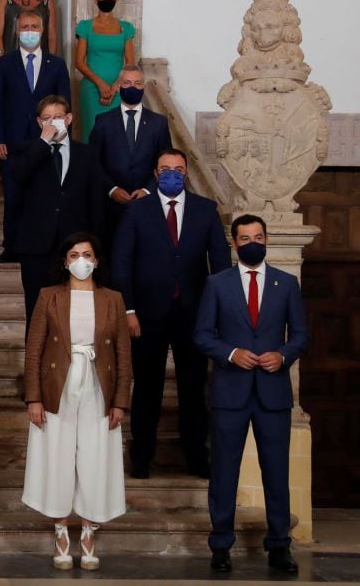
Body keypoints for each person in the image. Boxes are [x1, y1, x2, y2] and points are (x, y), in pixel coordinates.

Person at [194, 214, 307, 575]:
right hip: (230, 392)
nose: (253, 242)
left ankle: (279, 546)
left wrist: (283, 354)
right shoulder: (216, 284)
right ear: (234, 243)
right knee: (224, 472)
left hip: (273, 394)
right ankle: (221, 546)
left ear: (267, 238)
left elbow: (302, 334)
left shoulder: (286, 283)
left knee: (276, 472)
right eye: (245, 238)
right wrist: (230, 353)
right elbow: (202, 334)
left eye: (258, 236)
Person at [112, 148, 231, 480]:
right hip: (146, 315)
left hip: (194, 316)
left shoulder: (206, 210)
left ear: (188, 171)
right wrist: (129, 310)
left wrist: (217, 314)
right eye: (165, 169)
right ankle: (141, 458)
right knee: (147, 387)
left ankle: (196, 457)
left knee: (193, 389)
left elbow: (220, 266)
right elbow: (122, 263)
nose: (172, 174)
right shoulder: (137, 210)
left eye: (178, 169)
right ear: (155, 172)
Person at [22, 232, 131, 571]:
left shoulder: (112, 299)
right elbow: (34, 350)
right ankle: (59, 531)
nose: (81, 260)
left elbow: (124, 355)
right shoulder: (48, 296)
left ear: (96, 260)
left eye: (87, 254)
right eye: (73, 254)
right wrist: (34, 398)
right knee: (57, 455)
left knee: (95, 457)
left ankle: (88, 532)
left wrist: (120, 402)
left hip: (99, 387)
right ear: (65, 261)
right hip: (58, 387)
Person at [0, 10, 71, 264]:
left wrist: (65, 142)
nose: (30, 31)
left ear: (43, 30)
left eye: (35, 26)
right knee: (13, 196)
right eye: (25, 27)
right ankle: (11, 246)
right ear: (16, 31)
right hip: (12, 143)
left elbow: (67, 105)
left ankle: (44, 245)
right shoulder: (4, 64)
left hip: (49, 144)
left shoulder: (56, 65)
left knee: (45, 195)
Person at [12, 95, 105, 324]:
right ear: (39, 122)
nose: (53, 123)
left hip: (75, 248)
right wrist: (43, 142)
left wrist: (94, 244)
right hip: (36, 247)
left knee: (75, 315)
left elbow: (96, 201)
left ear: (70, 118)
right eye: (47, 118)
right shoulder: (27, 150)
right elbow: (19, 178)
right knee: (37, 314)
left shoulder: (87, 154)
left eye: (58, 117)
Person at [88, 64, 171, 252]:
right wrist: (111, 189)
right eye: (126, 83)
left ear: (144, 87)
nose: (132, 87)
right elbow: (93, 163)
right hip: (110, 207)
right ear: (118, 86)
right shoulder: (103, 121)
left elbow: (166, 163)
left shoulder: (159, 123)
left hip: (147, 205)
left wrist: (148, 190)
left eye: (137, 83)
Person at [75, 0, 136, 142]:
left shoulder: (126, 28)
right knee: (91, 134)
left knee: (116, 137)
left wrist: (115, 87)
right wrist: (101, 85)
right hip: (92, 89)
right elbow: (79, 62)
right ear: (95, 0)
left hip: (118, 90)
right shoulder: (85, 27)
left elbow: (130, 62)